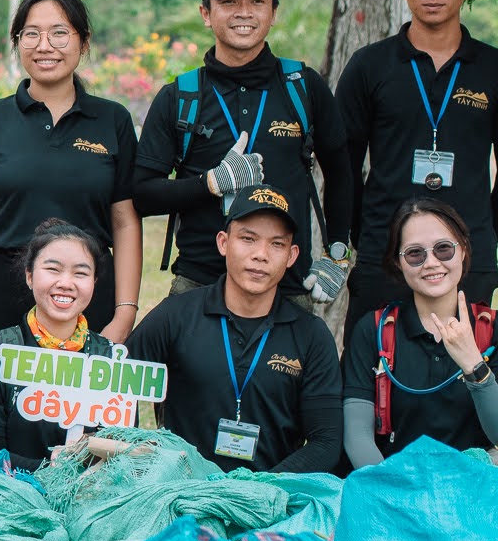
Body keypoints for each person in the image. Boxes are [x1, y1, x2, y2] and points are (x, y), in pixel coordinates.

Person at [336, 0, 498, 331]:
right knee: (371, 377)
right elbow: (343, 168)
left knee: (461, 378)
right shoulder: (369, 66)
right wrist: (370, 238)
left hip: (467, 264)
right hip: (383, 260)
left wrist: (474, 237)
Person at [134, 0, 354, 307]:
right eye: (229, 2)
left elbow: (342, 174)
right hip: (199, 288)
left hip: (288, 289)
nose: (244, 12)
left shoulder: (304, 88)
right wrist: (210, 183)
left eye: (257, 1)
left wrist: (338, 252)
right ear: (206, 13)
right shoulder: (180, 96)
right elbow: (142, 194)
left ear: (273, 12)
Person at [0, 0, 140, 365]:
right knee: (0, 419)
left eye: (60, 32)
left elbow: (125, 223)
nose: (44, 45)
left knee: (85, 424)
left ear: (83, 42)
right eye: (31, 34)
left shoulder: (113, 121)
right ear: (18, 43)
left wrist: (124, 313)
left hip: (84, 298)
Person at [126, 186, 340, 473]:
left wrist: (257, 490)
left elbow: (326, 442)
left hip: (269, 503)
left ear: (292, 256)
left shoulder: (311, 336)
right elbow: (117, 389)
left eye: (276, 244)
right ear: (223, 242)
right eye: (248, 239)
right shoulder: (176, 315)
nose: (261, 255)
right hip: (182, 494)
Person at [341, 198, 498, 468]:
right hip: (394, 478)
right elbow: (357, 436)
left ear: (463, 251)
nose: (431, 263)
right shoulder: (374, 329)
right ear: (398, 262)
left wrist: (474, 366)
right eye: (415, 254)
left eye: (443, 249)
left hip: (477, 480)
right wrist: (394, 491)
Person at [0, 220, 118, 469]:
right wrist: (48, 467)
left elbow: (125, 448)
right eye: (53, 269)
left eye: (81, 273)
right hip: (12, 498)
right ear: (29, 276)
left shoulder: (110, 357)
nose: (66, 282)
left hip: (91, 499)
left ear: (94, 282)